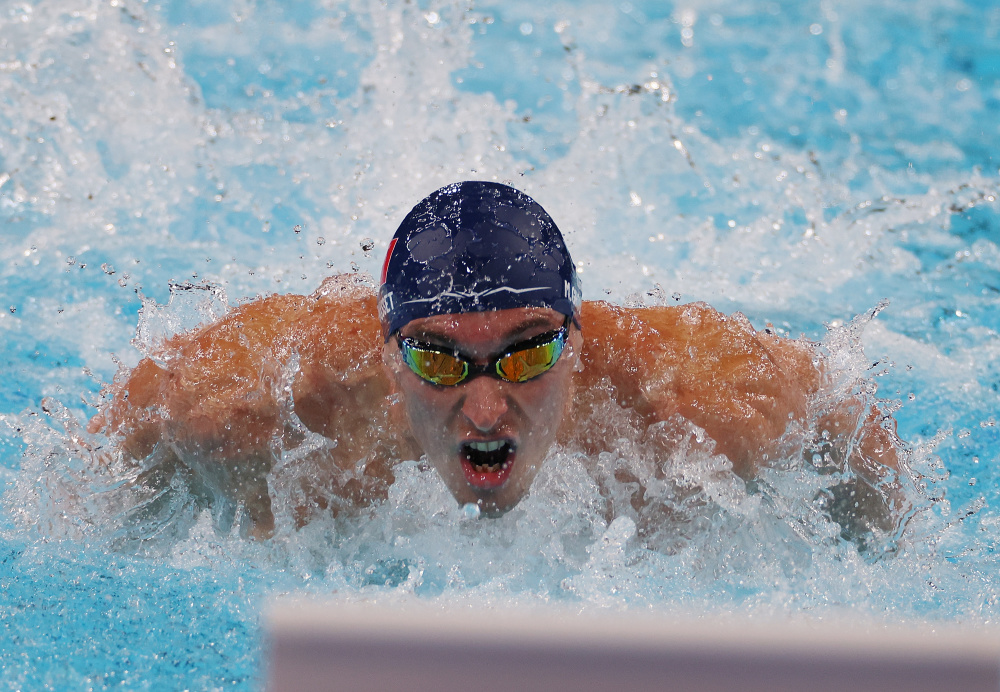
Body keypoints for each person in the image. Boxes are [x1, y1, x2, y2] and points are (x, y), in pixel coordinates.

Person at [88, 181, 907, 542]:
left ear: (577, 345)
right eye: (442, 364)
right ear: (388, 361)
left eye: (527, 357)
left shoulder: (697, 409)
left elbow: (839, 402)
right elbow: (99, 480)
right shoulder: (256, 411)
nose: (485, 413)